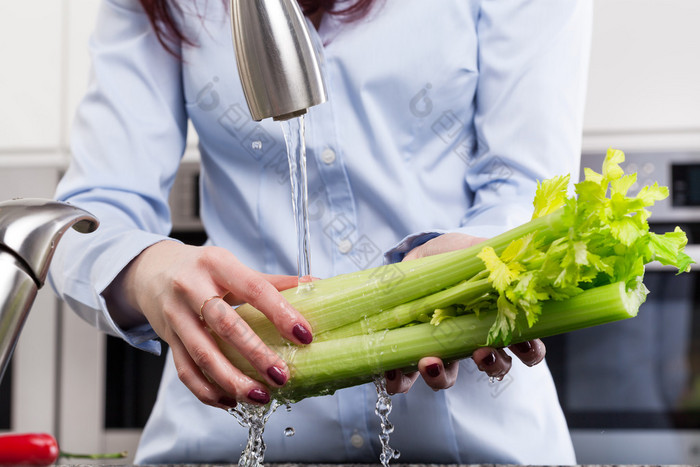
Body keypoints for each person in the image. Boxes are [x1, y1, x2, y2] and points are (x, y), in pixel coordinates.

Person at [48, 0, 592, 463]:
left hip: (477, 439)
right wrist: (150, 271)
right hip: (229, 434)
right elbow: (91, 211)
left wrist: (459, 268)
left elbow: (528, 186)